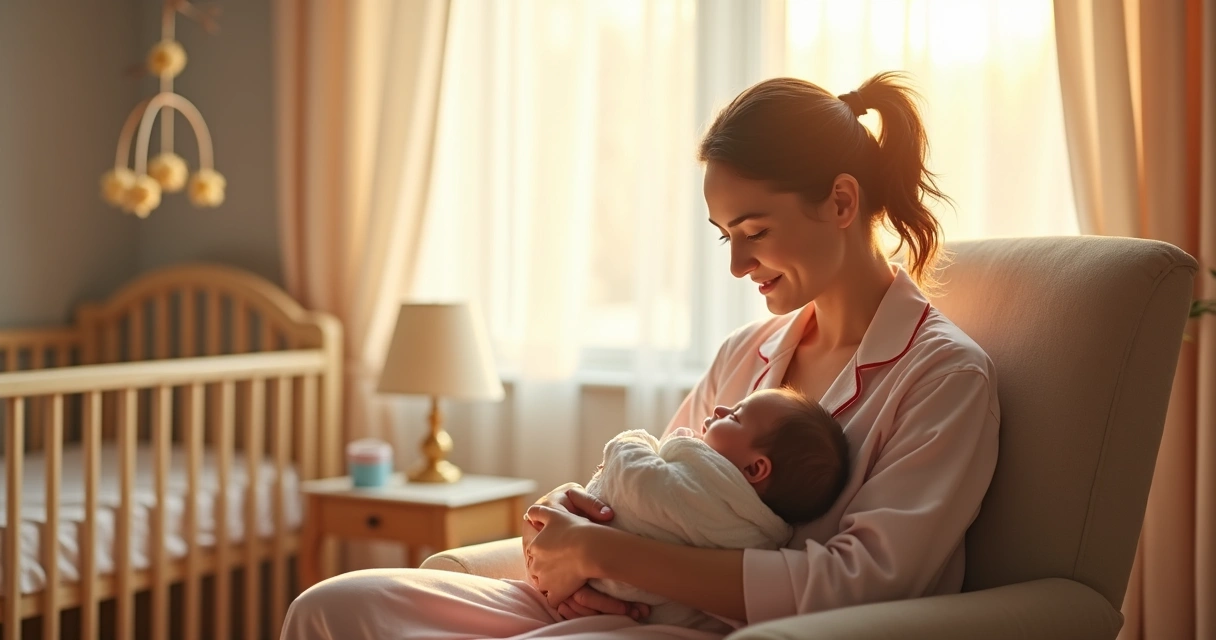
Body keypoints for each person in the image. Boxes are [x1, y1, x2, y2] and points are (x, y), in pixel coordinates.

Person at [280, 71, 1000, 640]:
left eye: (754, 229)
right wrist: (567, 519)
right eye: (725, 236)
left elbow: (864, 583)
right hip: (626, 602)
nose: (737, 264)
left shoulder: (942, 378)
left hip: (730, 627)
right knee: (341, 607)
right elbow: (659, 489)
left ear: (842, 202)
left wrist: (605, 557)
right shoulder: (746, 354)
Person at [578, 387, 850, 633]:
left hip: (618, 598)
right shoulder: (763, 538)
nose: (721, 409)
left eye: (734, 417)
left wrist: (634, 441)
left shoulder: (699, 491)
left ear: (755, 469)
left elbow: (638, 481)